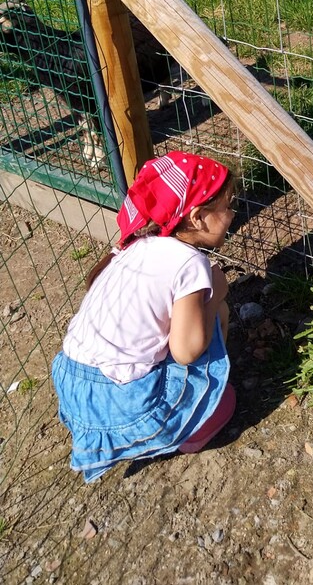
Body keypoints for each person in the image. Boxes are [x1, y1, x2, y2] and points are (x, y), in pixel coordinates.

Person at [52, 151, 238, 482]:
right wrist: (217, 291)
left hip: (73, 386)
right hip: (123, 404)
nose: (233, 214)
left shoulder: (135, 244)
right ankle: (188, 430)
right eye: (227, 207)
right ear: (196, 216)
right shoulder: (188, 263)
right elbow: (186, 351)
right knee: (225, 399)